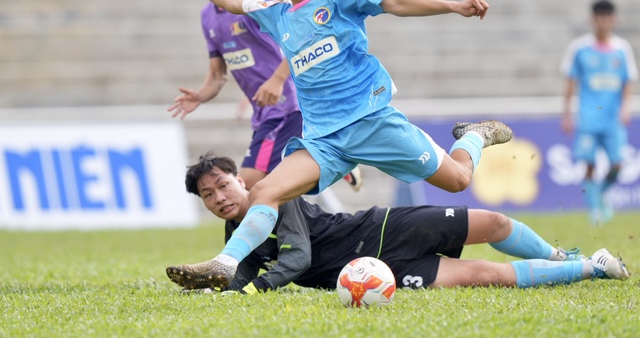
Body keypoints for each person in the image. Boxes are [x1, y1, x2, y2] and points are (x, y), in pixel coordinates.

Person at [159, 0, 514, 289]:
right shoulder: (277, 13)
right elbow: (233, 0)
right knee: (264, 190)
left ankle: (475, 135)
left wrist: (454, 6)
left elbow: (396, 3)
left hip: (373, 123)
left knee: (457, 180)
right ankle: (226, 263)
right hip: (324, 142)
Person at [166, 153, 630, 293]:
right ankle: (592, 267)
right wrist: (220, 288)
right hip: (375, 272)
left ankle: (559, 256)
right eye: (208, 195)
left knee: (492, 222)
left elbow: (300, 256)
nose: (219, 197)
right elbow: (244, 268)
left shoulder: (275, 198)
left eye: (223, 185)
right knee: (486, 276)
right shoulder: (236, 236)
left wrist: (253, 290)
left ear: (241, 182)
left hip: (383, 229)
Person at [167, 0, 362, 192]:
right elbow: (217, 75)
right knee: (282, 191)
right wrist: (200, 95)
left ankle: (332, 159)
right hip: (265, 115)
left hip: (286, 108)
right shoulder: (207, 15)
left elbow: (302, 38)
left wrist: (277, 79)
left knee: (247, 187)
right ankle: (331, 159)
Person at [561, 0, 638, 225]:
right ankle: (595, 211)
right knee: (589, 164)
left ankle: (601, 194)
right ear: (593, 19)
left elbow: (628, 81)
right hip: (588, 117)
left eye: (607, 17)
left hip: (613, 118)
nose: (604, 22)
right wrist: (567, 114)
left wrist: (626, 107)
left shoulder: (622, 49)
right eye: (599, 17)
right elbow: (570, 82)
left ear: (613, 19)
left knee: (617, 165)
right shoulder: (579, 48)